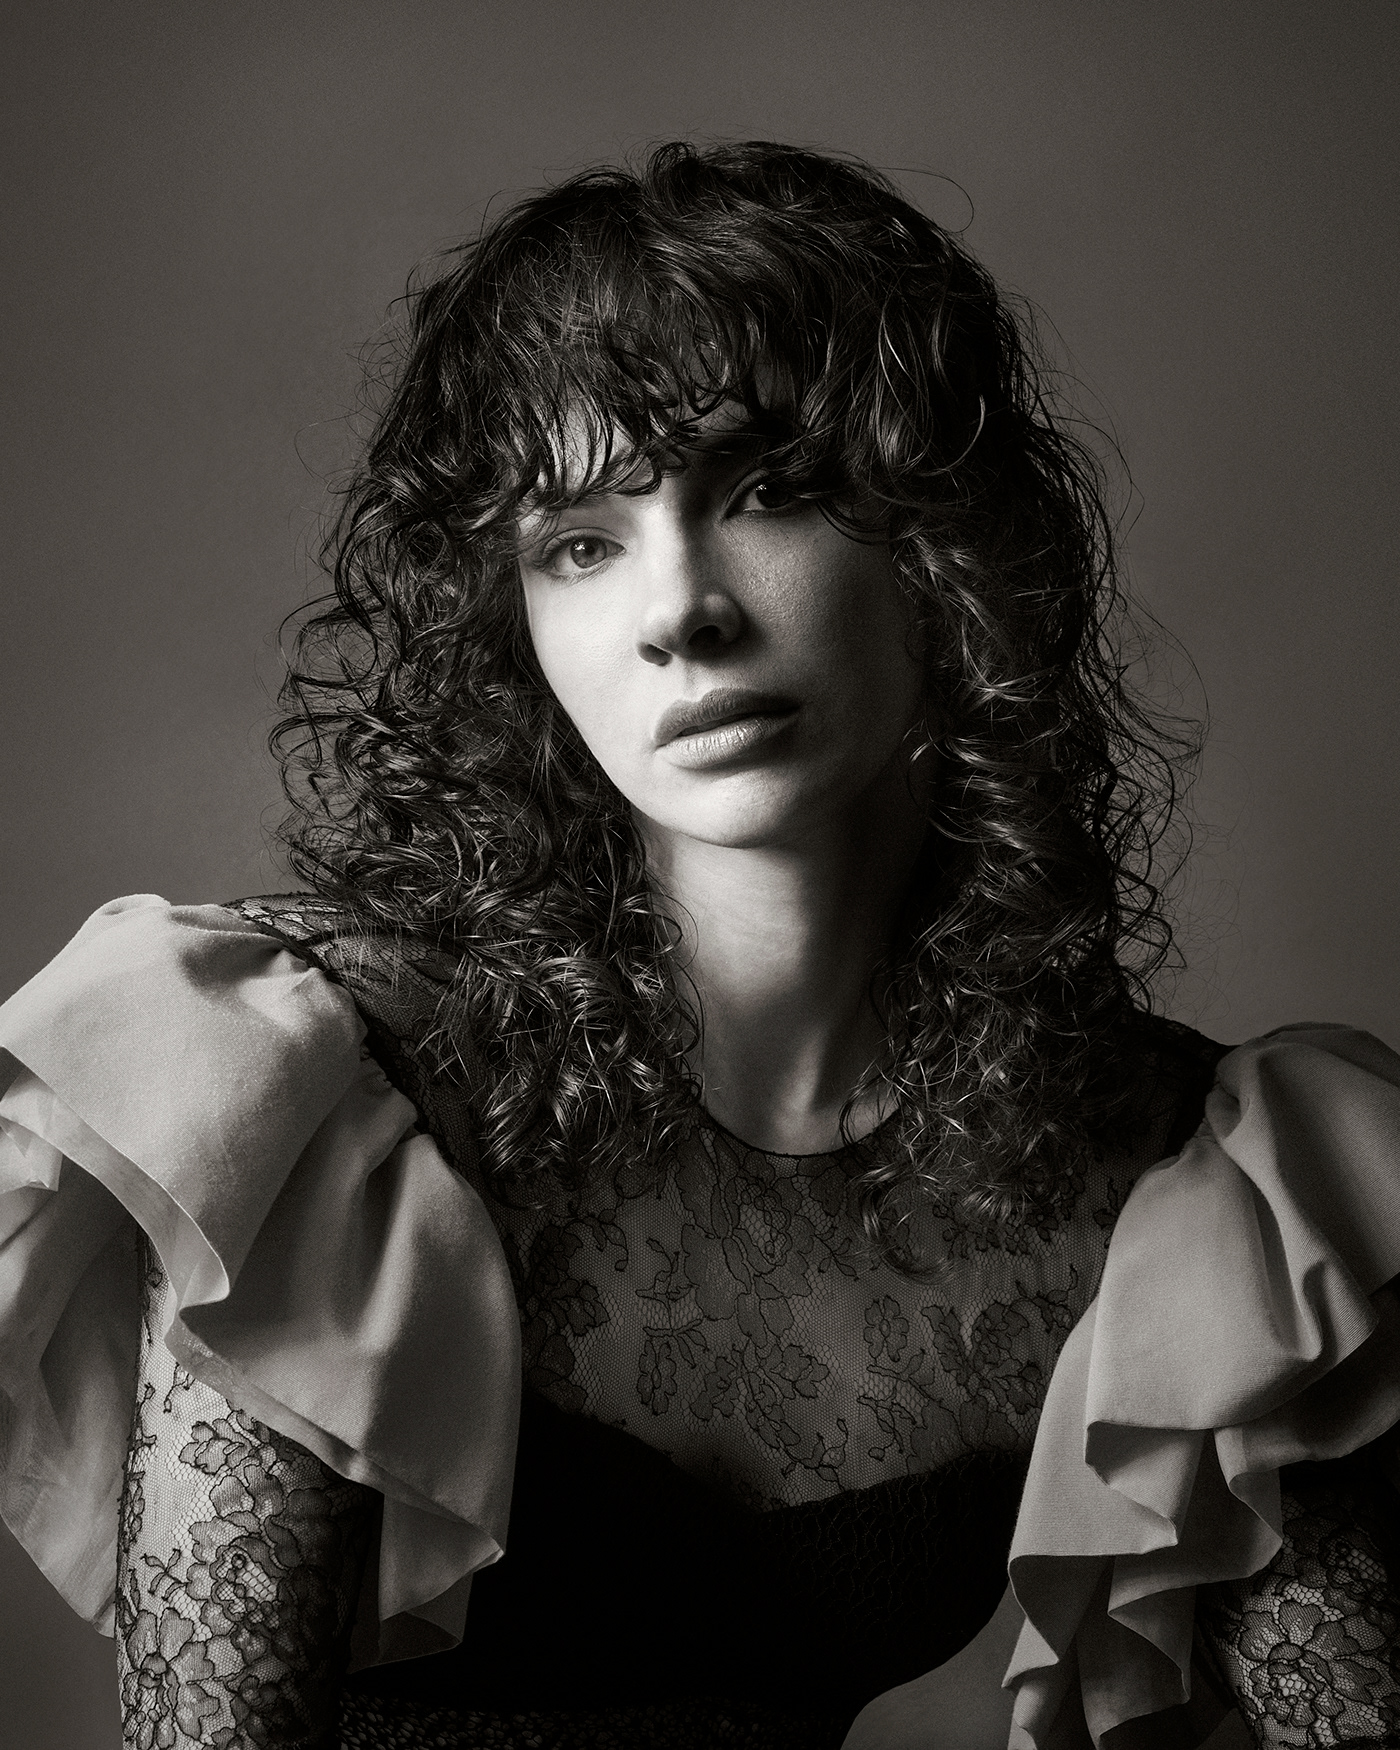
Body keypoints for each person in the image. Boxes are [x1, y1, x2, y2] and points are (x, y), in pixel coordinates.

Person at [1, 140, 1398, 1750]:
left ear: (951, 542)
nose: (680, 611)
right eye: (578, 543)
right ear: (517, 632)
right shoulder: (317, 1110)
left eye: (770, 490)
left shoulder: (1196, 1193)